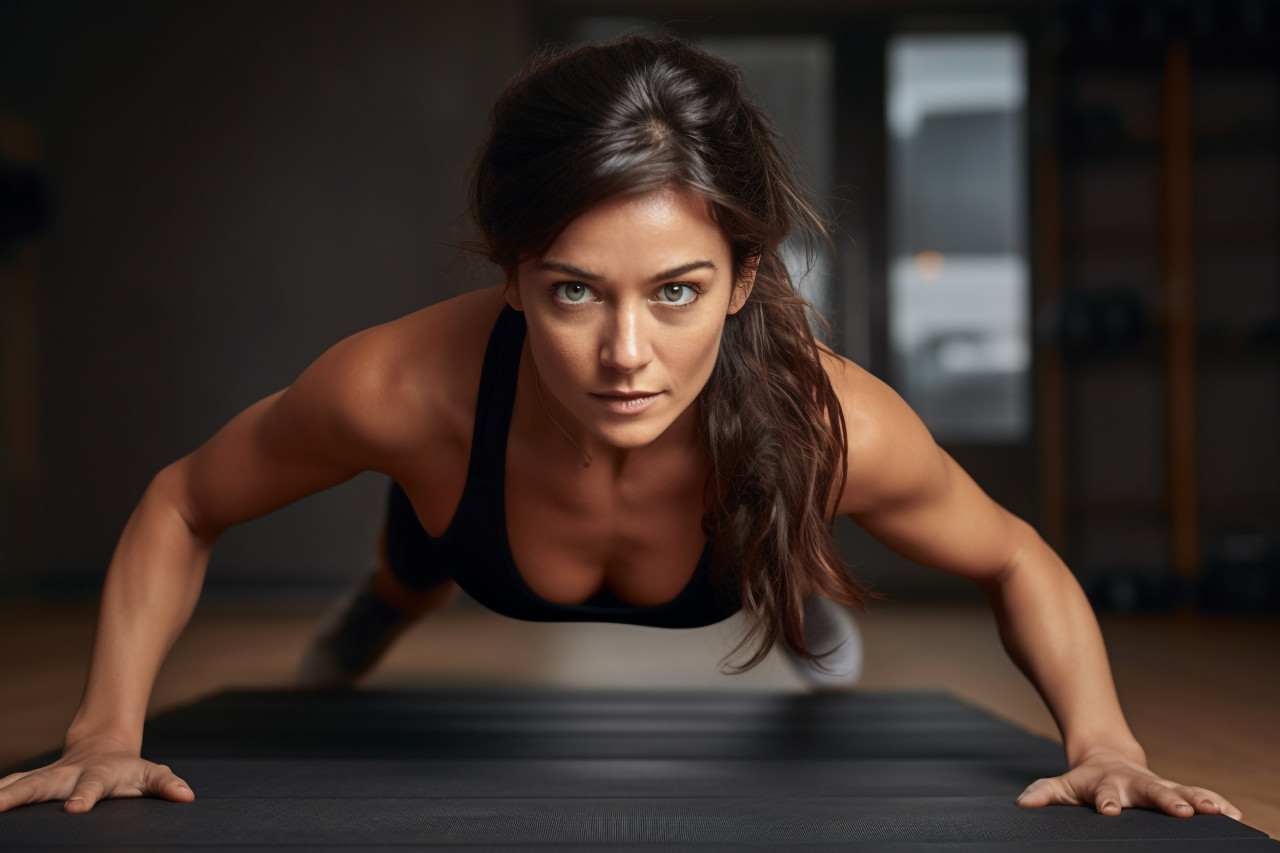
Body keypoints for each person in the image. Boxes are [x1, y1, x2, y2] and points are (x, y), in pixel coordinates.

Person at [0, 34, 1242, 822]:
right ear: (511, 274)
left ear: (745, 276)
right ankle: (380, 607)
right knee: (410, 562)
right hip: (470, 520)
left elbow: (1013, 553)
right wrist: (106, 729)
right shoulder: (400, 390)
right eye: (573, 290)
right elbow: (183, 499)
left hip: (737, 514)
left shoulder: (834, 419)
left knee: (776, 499)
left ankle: (783, 583)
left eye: (677, 291)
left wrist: (1104, 740)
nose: (626, 355)